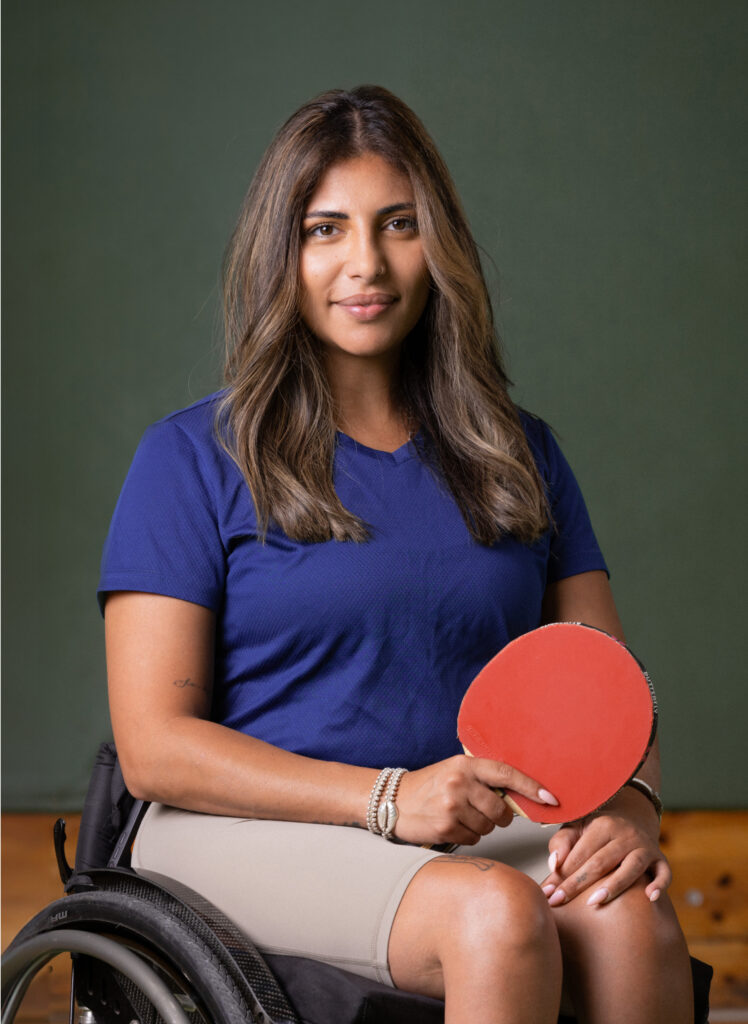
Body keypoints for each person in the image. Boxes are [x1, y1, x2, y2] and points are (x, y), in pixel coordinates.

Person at [99, 85, 693, 1023]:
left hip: (458, 830)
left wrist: (633, 808)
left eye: (398, 225)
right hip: (235, 832)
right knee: (495, 919)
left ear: (439, 245)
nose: (365, 263)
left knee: (630, 922)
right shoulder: (188, 460)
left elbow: (615, 690)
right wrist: (388, 800)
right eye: (324, 229)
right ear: (281, 253)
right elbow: (154, 750)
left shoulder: (518, 453)